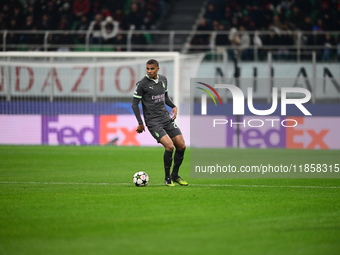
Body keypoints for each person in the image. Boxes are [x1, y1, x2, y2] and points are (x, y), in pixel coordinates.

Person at [131, 59, 188, 187]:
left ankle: (175, 175)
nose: (149, 71)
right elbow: (134, 104)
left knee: (182, 145)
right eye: (147, 69)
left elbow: (165, 97)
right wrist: (140, 123)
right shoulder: (142, 84)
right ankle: (167, 178)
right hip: (153, 121)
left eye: (152, 69)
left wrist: (173, 106)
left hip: (165, 118)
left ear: (158, 69)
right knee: (169, 146)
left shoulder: (163, 80)